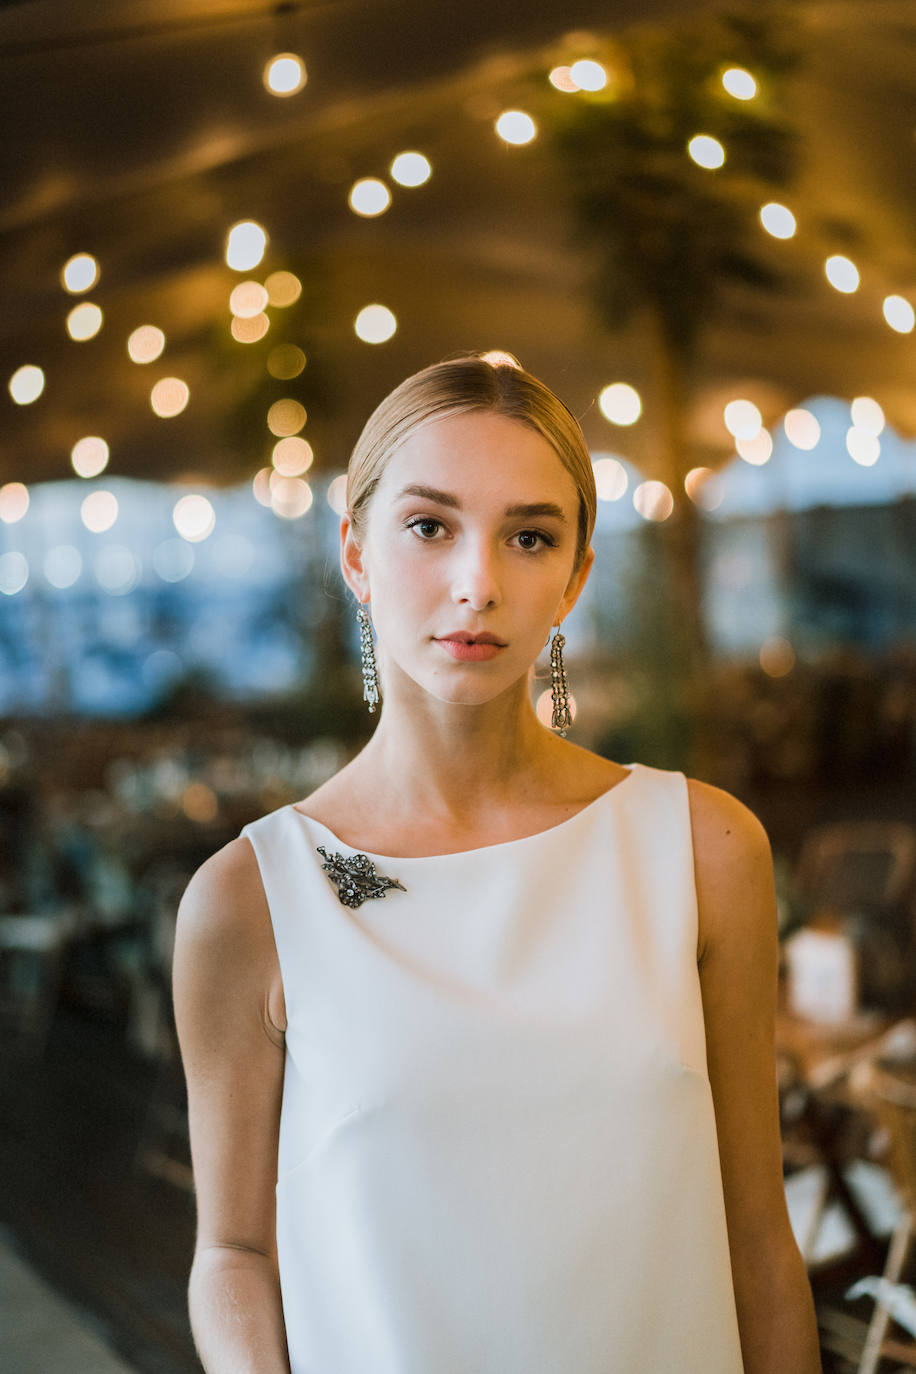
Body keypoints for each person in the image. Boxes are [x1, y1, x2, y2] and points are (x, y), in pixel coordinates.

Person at [172, 352, 822, 1374]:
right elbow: (234, 1252)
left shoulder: (703, 849)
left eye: (528, 536)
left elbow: (756, 1239)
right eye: (429, 526)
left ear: (574, 578)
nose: (478, 582)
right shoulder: (252, 899)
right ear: (355, 553)